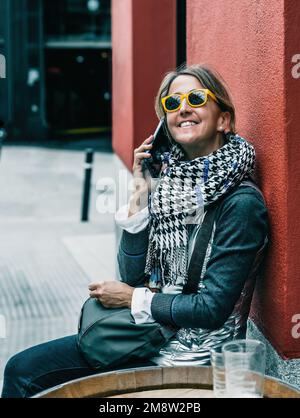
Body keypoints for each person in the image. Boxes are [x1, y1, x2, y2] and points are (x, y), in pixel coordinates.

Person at [1, 64, 269, 398]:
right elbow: (130, 273)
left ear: (223, 120)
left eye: (196, 98)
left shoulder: (240, 204)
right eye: (172, 104)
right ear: (165, 127)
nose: (183, 108)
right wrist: (140, 195)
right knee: (21, 369)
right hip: (149, 339)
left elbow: (211, 308)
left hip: (191, 361)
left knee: (28, 377)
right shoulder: (169, 190)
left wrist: (132, 299)